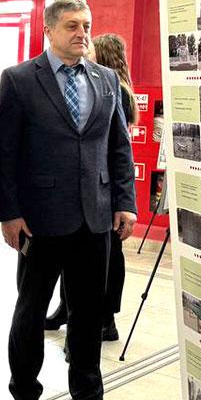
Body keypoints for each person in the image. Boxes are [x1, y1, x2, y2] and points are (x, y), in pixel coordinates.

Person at [0, 0, 137, 400]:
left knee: (88, 314)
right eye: (72, 25)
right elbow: (3, 152)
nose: (82, 33)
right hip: (40, 220)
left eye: (86, 25)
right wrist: (9, 213)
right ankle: (25, 398)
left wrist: (125, 201)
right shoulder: (19, 80)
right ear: (49, 31)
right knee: (31, 312)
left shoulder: (106, 79)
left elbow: (118, 146)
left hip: (95, 218)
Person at [44, 32, 139, 342]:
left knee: (107, 261)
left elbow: (118, 147)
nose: (86, 49)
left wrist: (122, 199)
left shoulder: (113, 88)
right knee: (78, 261)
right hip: (87, 190)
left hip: (103, 190)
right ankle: (67, 309)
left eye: (93, 47)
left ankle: (105, 319)